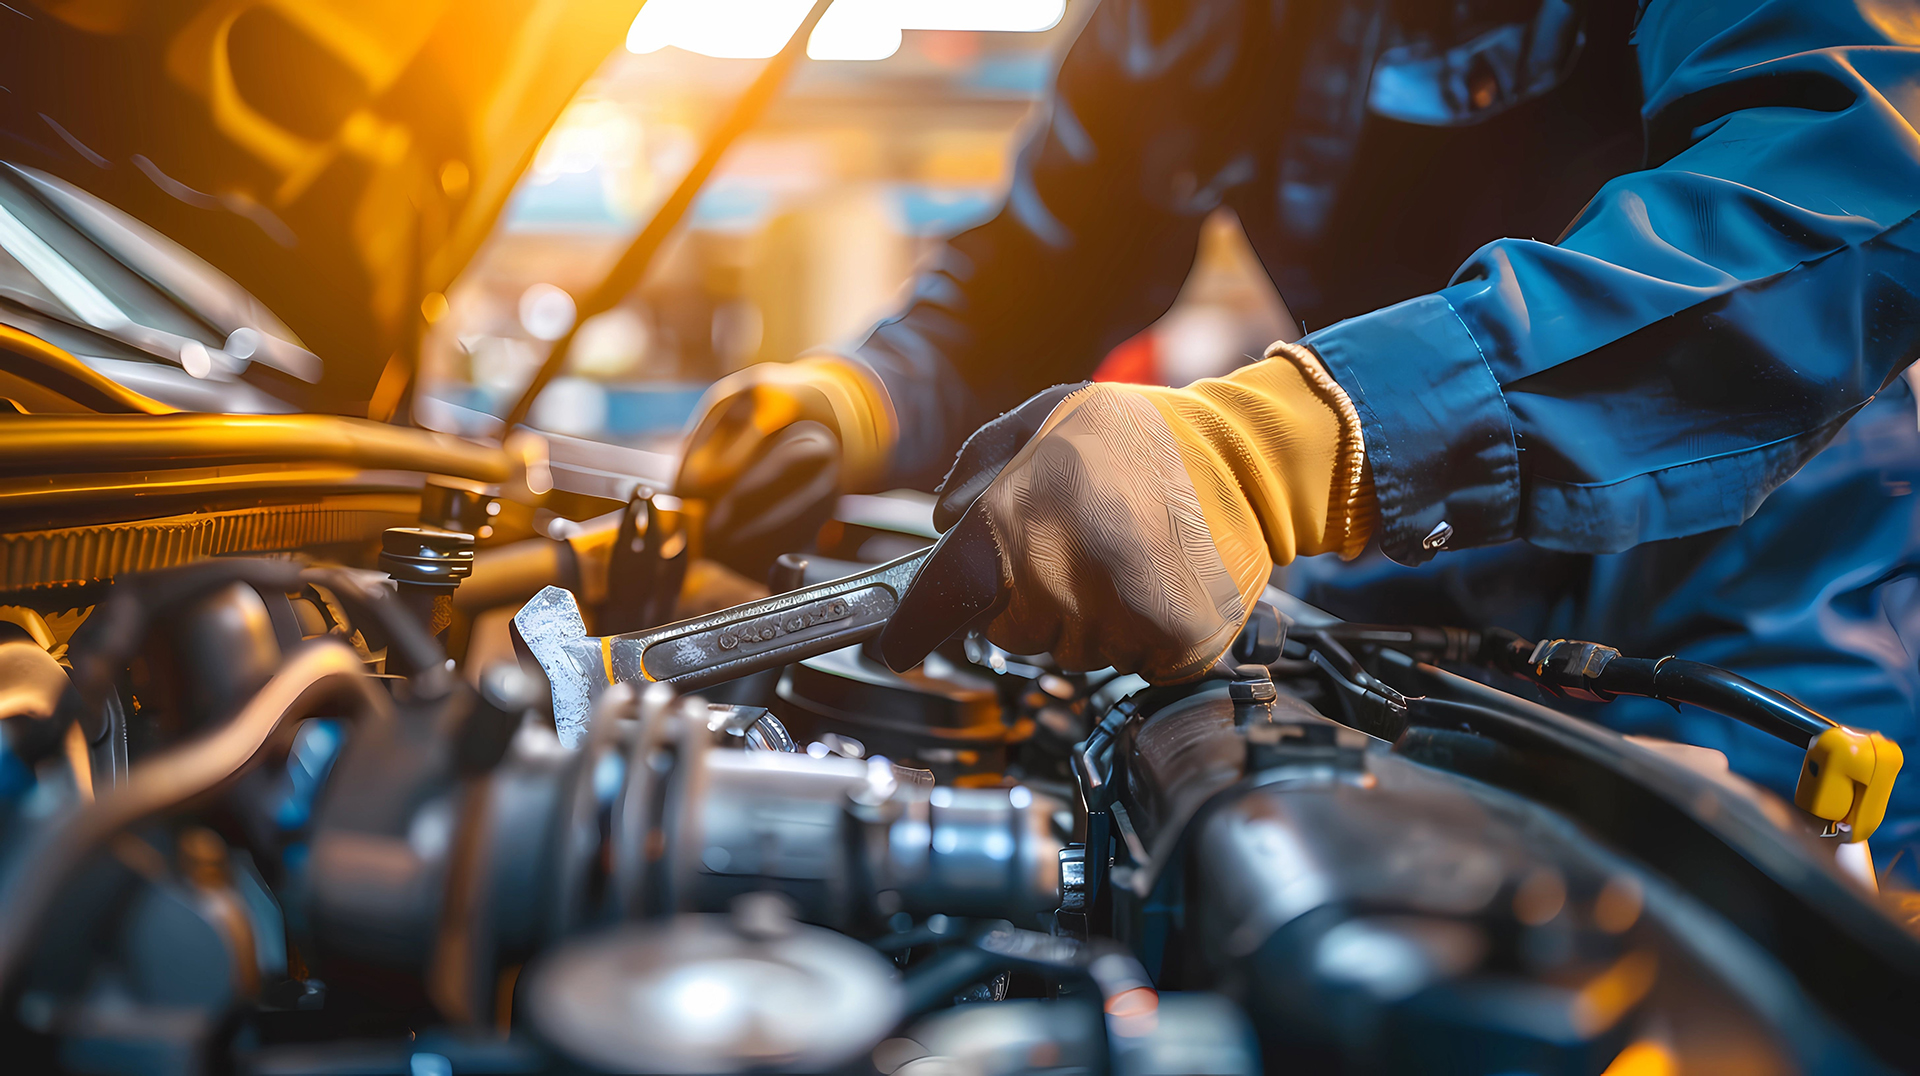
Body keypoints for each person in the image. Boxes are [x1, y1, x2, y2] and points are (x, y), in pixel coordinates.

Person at [676, 0, 1920, 836]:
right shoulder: (1175, 26)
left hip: (1749, 592)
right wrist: (862, 395)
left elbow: (1847, 185)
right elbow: (1034, 280)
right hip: (1431, 570)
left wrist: (1283, 446)